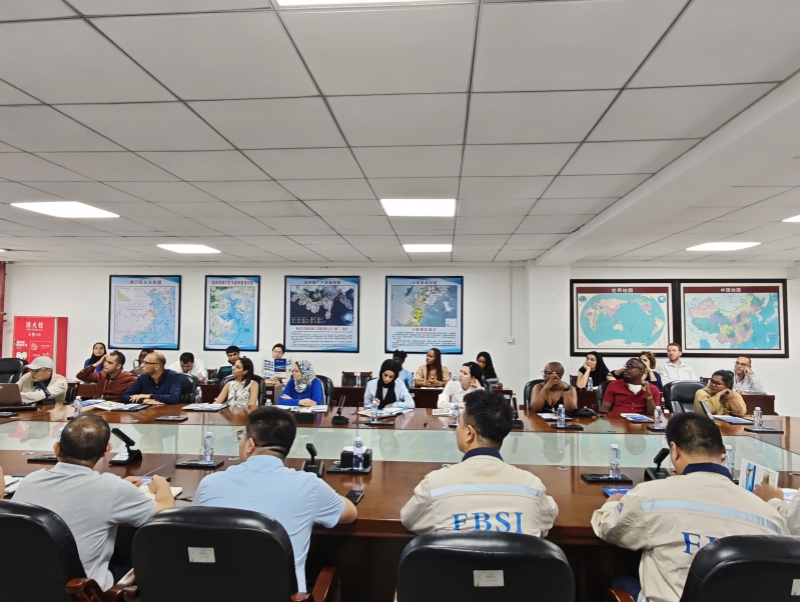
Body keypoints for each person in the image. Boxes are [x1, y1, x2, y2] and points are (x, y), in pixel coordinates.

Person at [592, 413, 787, 602]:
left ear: (674, 450)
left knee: (621, 580)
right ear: (724, 455)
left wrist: (612, 504)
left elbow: (608, 528)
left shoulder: (649, 496)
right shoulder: (769, 517)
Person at [195, 407, 357, 592]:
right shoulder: (309, 486)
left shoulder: (209, 484)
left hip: (215, 593)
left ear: (250, 444)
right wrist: (327, 494)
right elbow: (350, 514)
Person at [13, 415, 174, 590]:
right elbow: (163, 517)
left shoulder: (29, 481)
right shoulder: (112, 488)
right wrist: (162, 487)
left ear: (57, 448)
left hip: (23, 585)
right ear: (107, 450)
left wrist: (120, 489)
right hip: (81, 590)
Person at [401, 389, 558, 535]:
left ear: (469, 433)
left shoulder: (435, 485)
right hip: (518, 558)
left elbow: (410, 519)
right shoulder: (532, 487)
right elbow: (548, 519)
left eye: (459, 423)